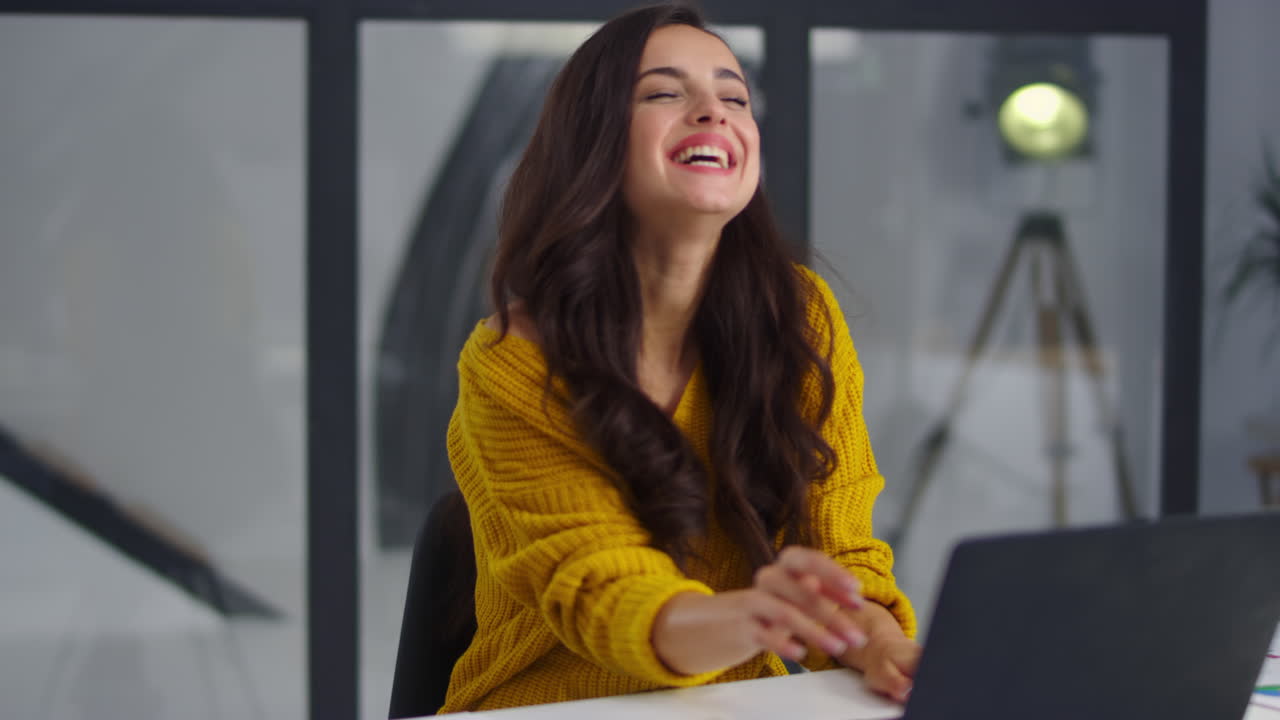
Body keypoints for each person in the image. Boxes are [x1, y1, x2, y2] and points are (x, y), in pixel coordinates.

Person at [438, 3, 920, 713]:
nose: (712, 112)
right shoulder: (513, 360)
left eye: (735, 97)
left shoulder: (799, 315)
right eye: (666, 92)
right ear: (593, 140)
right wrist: (752, 617)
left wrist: (883, 645)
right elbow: (604, 591)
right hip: (552, 706)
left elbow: (842, 555)